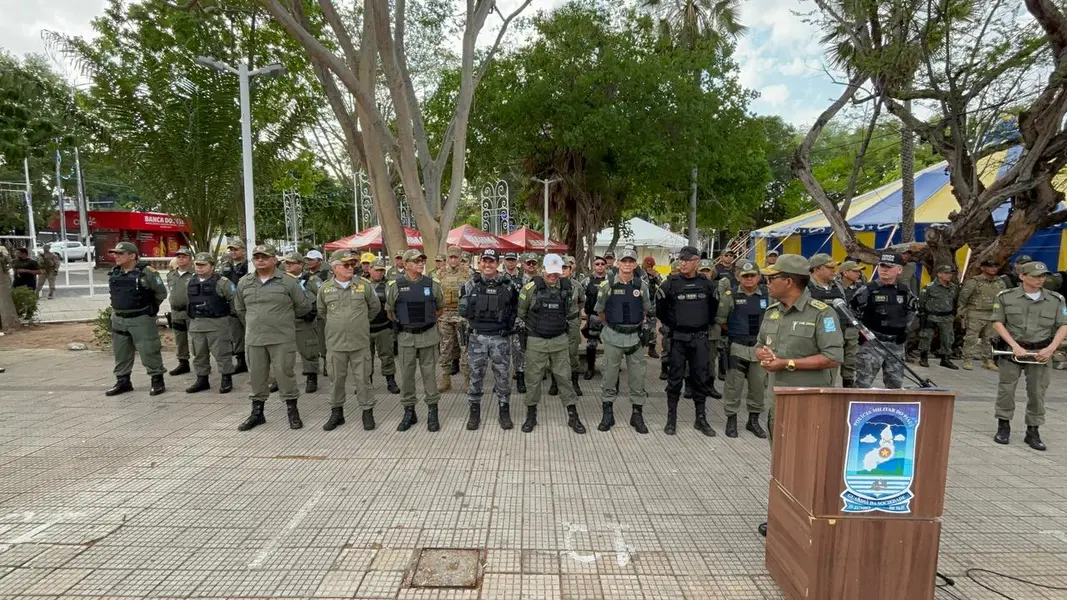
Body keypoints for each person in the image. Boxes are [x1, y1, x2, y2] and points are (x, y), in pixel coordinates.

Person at [754, 253, 844, 537]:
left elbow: (833, 357)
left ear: (789, 281)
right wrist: (763, 355)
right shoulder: (772, 312)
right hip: (777, 401)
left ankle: (809, 518)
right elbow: (760, 344)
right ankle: (783, 517)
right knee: (782, 462)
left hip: (810, 404)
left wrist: (788, 363)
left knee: (808, 463)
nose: (767, 282)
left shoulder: (822, 314)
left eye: (772, 278)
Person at [234, 244, 314, 431]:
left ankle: (292, 411)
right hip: (255, 339)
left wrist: (281, 321)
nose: (260, 260)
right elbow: (240, 309)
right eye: (257, 257)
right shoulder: (244, 282)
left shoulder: (288, 282)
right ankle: (257, 413)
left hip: (281, 339)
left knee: (285, 375)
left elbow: (303, 307)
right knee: (256, 376)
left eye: (265, 257)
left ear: (274, 259)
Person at [990, 261, 1067, 451]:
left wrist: (1051, 349)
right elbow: (997, 323)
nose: (1040, 280)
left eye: (1043, 276)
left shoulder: (1055, 300)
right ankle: (1003, 426)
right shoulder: (1006, 297)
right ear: (1022, 276)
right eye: (1035, 276)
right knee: (1006, 390)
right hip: (1012, 351)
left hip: (1041, 352)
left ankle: (1033, 430)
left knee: (1037, 392)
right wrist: (1014, 345)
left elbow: (1063, 325)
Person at [517, 254, 586, 433]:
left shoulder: (568, 288)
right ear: (543, 270)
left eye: (557, 272)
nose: (553, 276)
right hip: (536, 340)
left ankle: (573, 415)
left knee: (564, 378)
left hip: (559, 340)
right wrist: (538, 326)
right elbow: (521, 313)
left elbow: (572, 311)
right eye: (550, 272)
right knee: (533, 379)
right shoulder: (530, 289)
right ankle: (531, 415)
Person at [656, 245, 719, 436]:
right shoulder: (670, 284)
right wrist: (674, 326)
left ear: (696, 262)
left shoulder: (707, 285)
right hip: (678, 339)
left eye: (687, 260)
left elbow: (713, 309)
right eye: (681, 260)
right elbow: (661, 310)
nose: (682, 263)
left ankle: (701, 418)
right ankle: (671, 419)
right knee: (674, 380)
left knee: (700, 379)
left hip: (700, 339)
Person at [317, 249, 381, 431]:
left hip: (359, 343)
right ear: (335, 267)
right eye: (346, 264)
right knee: (336, 380)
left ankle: (367, 412)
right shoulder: (325, 288)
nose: (351, 267)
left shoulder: (363, 285)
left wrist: (359, 324)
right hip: (336, 344)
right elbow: (322, 312)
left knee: (363, 380)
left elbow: (374, 308)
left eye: (352, 264)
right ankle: (337, 413)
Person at [459, 248, 519, 430]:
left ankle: (504, 411)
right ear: (479, 263)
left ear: (497, 263)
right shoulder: (470, 285)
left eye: (491, 261)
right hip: (477, 338)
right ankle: (474, 412)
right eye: (484, 260)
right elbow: (463, 311)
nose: (487, 264)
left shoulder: (508, 285)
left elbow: (516, 309)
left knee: (502, 376)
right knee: (476, 375)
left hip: (500, 338)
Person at [387, 249, 445, 432]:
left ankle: (432, 412)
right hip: (406, 338)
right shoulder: (395, 286)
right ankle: (409, 412)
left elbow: (440, 309)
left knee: (429, 375)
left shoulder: (432, 284)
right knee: (406, 376)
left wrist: (426, 321)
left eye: (422, 260)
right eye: (416, 261)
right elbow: (390, 312)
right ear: (406, 264)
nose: (421, 263)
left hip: (428, 336)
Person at [595, 248, 652, 433]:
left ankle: (637, 415)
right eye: (624, 261)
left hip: (635, 338)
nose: (627, 264)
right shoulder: (607, 285)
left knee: (638, 378)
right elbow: (600, 311)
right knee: (609, 377)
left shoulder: (642, 286)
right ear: (618, 263)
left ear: (635, 264)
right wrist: (613, 326)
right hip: (613, 336)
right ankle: (607, 414)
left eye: (631, 261)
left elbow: (645, 309)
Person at [104, 241, 168, 396]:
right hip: (119, 318)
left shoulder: (147, 273)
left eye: (120, 254)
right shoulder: (115, 272)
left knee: (149, 350)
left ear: (132, 256)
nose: (116, 256)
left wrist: (151, 308)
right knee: (121, 352)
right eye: (115, 253)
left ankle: (157, 380)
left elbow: (161, 292)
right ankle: (123, 381)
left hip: (141, 319)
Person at [715, 260, 768, 438]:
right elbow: (722, 320)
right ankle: (731, 420)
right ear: (739, 277)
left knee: (758, 386)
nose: (749, 279)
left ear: (758, 277)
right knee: (733, 386)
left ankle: (753, 421)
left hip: (760, 348)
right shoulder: (730, 296)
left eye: (752, 275)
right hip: (737, 347)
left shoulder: (767, 296)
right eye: (745, 276)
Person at [852, 252, 917, 389]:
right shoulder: (867, 290)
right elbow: (853, 313)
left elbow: (912, 311)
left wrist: (903, 329)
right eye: (882, 266)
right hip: (872, 344)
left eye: (889, 267)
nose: (884, 270)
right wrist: (862, 332)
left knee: (895, 386)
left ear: (899, 270)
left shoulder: (904, 291)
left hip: (896, 345)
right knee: (862, 386)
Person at [185, 252, 236, 394]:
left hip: (217, 324)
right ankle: (202, 379)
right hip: (197, 324)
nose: (199, 267)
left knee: (222, 353)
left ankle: (226, 378)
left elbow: (234, 301)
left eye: (203, 265)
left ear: (212, 266)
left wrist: (227, 316)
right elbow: (188, 302)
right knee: (199, 354)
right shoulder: (190, 282)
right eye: (197, 265)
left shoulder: (223, 282)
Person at [807, 253, 859, 387]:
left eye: (833, 267)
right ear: (816, 269)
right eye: (829, 267)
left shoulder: (838, 286)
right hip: (813, 341)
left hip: (836, 337)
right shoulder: (806, 287)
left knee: (830, 379)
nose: (833, 270)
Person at [282, 252, 322, 393]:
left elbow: (322, 297)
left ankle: (311, 377)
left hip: (305, 321)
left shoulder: (311, 280)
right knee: (282, 353)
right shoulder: (280, 280)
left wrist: (313, 311)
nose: (288, 265)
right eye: (286, 263)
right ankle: (280, 379)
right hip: (285, 321)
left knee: (309, 350)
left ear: (301, 264)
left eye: (292, 263)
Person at [958, 259, 1007, 371]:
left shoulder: (1000, 282)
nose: (993, 269)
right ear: (983, 268)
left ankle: (988, 360)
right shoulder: (974, 282)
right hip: (975, 313)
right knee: (971, 338)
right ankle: (967, 359)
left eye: (995, 266)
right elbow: (963, 298)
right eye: (990, 266)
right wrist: (961, 312)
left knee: (990, 339)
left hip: (993, 314)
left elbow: (1003, 298)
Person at [436, 246, 470, 392]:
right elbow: (435, 294)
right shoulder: (440, 274)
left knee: (465, 349)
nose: (453, 260)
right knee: (445, 348)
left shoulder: (468, 274)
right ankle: (446, 379)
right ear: (447, 259)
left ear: (460, 258)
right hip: (445, 317)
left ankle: (467, 380)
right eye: (451, 257)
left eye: (456, 257)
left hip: (462, 317)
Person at [366, 258, 400, 394]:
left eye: (382, 270)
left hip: (383, 327)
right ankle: (366, 382)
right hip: (365, 329)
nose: (379, 273)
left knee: (387, 356)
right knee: (365, 358)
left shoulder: (389, 285)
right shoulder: (362, 284)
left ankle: (390, 381)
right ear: (370, 270)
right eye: (377, 270)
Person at [918, 265, 960, 370]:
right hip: (931, 316)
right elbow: (922, 302)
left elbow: (954, 301)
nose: (949, 275)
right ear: (939, 274)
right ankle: (923, 357)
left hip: (947, 316)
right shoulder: (929, 287)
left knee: (948, 338)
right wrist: (923, 314)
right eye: (946, 273)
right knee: (926, 337)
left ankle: (945, 359)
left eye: (950, 273)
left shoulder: (953, 287)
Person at [219, 240, 250, 374]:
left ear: (243, 250)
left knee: (251, 333)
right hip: (232, 306)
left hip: (247, 305)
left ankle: (254, 360)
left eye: (236, 249)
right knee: (237, 335)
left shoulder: (250, 265)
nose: (233, 252)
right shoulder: (226, 266)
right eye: (231, 250)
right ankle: (241, 361)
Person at [166, 247, 194, 376]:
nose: (181, 259)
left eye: (184, 256)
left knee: (197, 339)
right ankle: (183, 363)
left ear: (190, 259)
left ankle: (202, 363)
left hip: (192, 312)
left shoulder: (195, 274)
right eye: (179, 257)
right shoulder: (171, 275)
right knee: (180, 339)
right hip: (177, 312)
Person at [581, 255, 608, 381]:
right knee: (591, 345)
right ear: (593, 266)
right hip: (593, 317)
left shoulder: (611, 280)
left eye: (602, 264)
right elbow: (580, 297)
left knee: (611, 344)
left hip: (608, 318)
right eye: (597, 264)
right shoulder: (587, 281)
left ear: (605, 266)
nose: (600, 266)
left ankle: (610, 370)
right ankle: (590, 368)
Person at [305, 249, 331, 376]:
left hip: (322, 311)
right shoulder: (304, 275)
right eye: (307, 260)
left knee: (324, 339)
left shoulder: (326, 274)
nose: (309, 262)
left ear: (319, 261)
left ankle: (327, 363)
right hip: (309, 311)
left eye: (312, 260)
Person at [642, 256, 662, 358]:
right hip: (640, 303)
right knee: (640, 326)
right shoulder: (638, 273)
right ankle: (638, 349)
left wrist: (655, 275)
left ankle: (652, 348)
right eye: (647, 264)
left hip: (651, 302)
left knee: (653, 327)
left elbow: (662, 284)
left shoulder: (654, 273)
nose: (648, 267)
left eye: (651, 265)